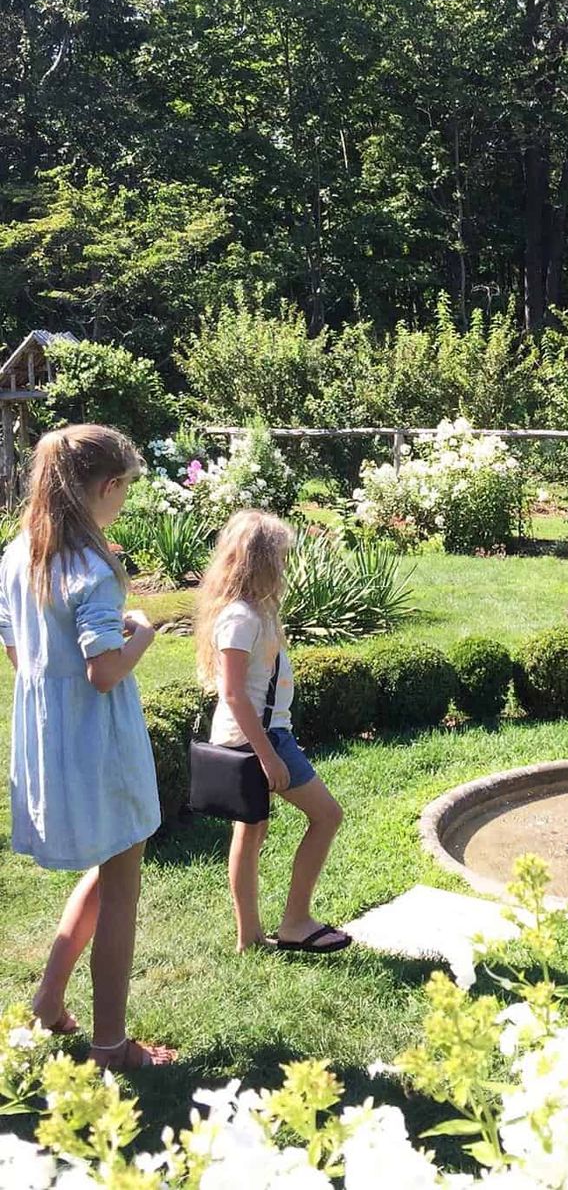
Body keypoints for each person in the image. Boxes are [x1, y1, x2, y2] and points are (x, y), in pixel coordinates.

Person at [0, 424, 175, 1071]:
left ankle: (47, 996)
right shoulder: (92, 568)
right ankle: (110, 1046)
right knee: (122, 885)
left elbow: (18, 651)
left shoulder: (19, 554)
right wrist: (144, 637)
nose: (123, 499)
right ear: (107, 486)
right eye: (124, 488)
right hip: (99, 743)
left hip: (53, 739)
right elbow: (103, 671)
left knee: (105, 868)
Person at [194, 510, 349, 954]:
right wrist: (267, 755)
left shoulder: (252, 611)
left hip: (257, 735)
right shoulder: (241, 617)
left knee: (251, 831)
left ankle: (250, 937)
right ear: (260, 561)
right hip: (260, 738)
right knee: (327, 816)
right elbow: (235, 694)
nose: (285, 566)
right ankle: (296, 922)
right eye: (279, 557)